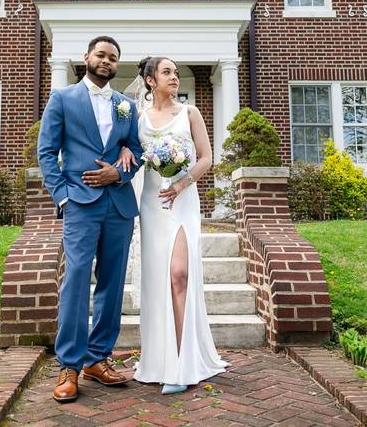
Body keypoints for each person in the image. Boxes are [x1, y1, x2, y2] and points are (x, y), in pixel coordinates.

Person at [36, 36, 143, 403]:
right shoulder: (62, 99)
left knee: (113, 285)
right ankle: (69, 365)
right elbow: (47, 153)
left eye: (113, 57)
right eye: (101, 54)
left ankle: (98, 359)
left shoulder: (127, 105)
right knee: (76, 282)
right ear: (87, 57)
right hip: (79, 204)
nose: (106, 61)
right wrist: (63, 197)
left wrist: (121, 173)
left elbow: (137, 149)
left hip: (118, 205)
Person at [129, 56, 228, 394]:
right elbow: (131, 156)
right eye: (166, 72)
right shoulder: (140, 121)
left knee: (179, 275)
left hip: (182, 201)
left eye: (175, 72)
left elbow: (206, 157)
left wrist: (182, 184)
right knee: (160, 280)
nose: (174, 77)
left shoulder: (190, 113)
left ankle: (184, 363)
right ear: (149, 80)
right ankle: (160, 359)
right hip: (154, 205)